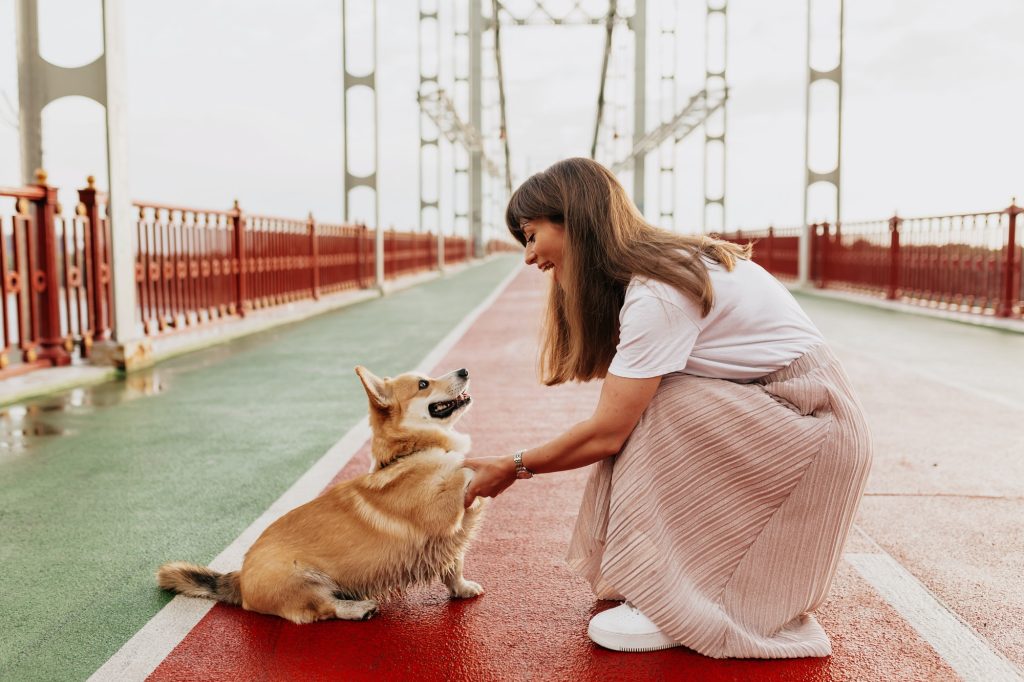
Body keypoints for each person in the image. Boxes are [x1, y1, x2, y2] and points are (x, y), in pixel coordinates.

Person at [462, 157, 872, 658]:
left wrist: (514, 466)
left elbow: (606, 434)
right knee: (657, 399)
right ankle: (658, 582)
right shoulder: (660, 269)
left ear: (574, 221)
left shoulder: (658, 292)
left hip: (813, 424)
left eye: (531, 236)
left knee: (658, 407)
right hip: (788, 413)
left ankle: (668, 603)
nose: (529, 257)